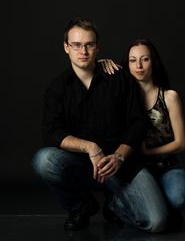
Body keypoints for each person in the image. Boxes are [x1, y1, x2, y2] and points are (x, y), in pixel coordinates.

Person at [32, 18, 169, 233]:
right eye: (77, 45)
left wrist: (120, 156)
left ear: (97, 47)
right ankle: (81, 206)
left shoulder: (119, 78)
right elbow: (51, 132)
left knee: (157, 222)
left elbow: (138, 122)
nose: (83, 51)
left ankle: (115, 203)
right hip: (84, 165)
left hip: (122, 165)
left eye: (89, 45)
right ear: (66, 47)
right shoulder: (57, 88)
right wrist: (90, 147)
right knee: (43, 159)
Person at [100, 38, 185, 230]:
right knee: (161, 216)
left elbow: (181, 143)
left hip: (166, 166)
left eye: (145, 59)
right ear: (127, 64)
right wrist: (101, 63)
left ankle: (128, 206)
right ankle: (122, 204)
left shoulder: (169, 97)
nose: (138, 65)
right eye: (132, 60)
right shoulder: (125, 97)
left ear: (153, 62)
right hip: (137, 169)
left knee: (177, 198)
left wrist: (148, 151)